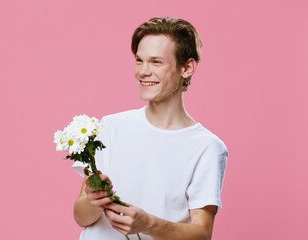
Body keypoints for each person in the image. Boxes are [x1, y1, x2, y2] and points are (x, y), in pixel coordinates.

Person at [72, 17, 228, 240]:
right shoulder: (110, 127)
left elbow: (202, 234)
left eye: (156, 62)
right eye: (139, 60)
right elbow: (82, 217)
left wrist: (150, 225)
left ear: (187, 68)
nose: (143, 72)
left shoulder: (207, 147)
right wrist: (93, 201)